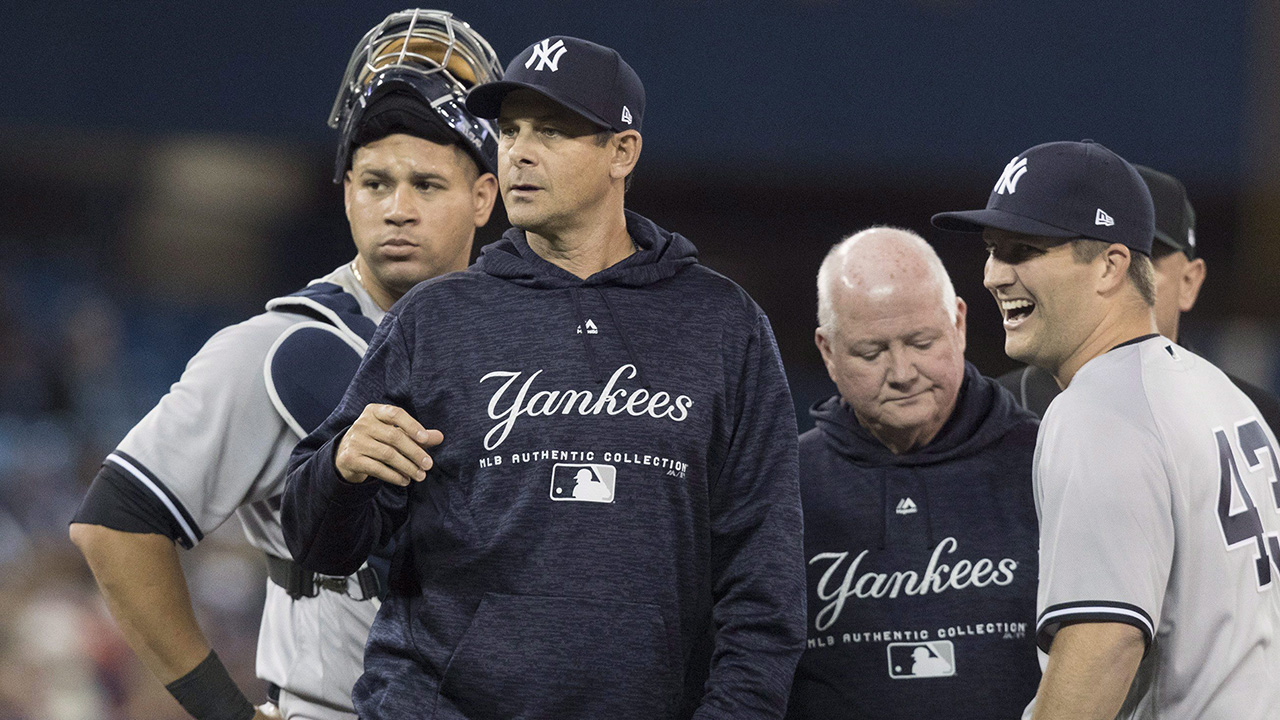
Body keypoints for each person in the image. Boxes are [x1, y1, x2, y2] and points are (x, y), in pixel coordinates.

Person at [281, 35, 806, 720]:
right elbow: (319, 544)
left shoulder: (721, 325)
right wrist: (342, 471)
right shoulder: (434, 319)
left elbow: (764, 577)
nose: (519, 153)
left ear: (622, 153)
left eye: (552, 132)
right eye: (510, 130)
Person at [68, 10, 501, 720]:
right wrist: (222, 711)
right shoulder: (277, 348)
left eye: (427, 185)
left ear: (483, 197)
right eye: (375, 182)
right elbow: (115, 524)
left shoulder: (528, 341)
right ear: (346, 192)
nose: (397, 209)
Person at [932, 139, 1280, 719]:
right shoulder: (1221, 394)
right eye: (993, 249)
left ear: (1111, 266)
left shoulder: (1101, 410)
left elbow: (1103, 646)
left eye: (1023, 249)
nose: (993, 274)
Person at [786, 227, 1040, 719]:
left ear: (960, 324)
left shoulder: (1046, 461)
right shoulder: (782, 487)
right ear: (827, 352)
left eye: (922, 342)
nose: (902, 372)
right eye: (870, 352)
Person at [995, 164, 1280, 430]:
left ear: (1189, 282)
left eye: (1140, 262)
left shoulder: (1255, 417)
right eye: (1097, 257)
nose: (1115, 274)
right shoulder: (999, 412)